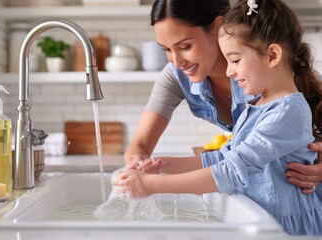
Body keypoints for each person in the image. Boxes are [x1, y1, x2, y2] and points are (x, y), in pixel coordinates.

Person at [115, 0, 322, 235]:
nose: (175, 61)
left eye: (185, 46)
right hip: (261, 217)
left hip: (290, 223)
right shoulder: (256, 102)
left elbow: (233, 170)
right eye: (166, 50)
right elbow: (224, 157)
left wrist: (151, 185)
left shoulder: (285, 103)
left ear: (217, 26)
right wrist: (161, 166)